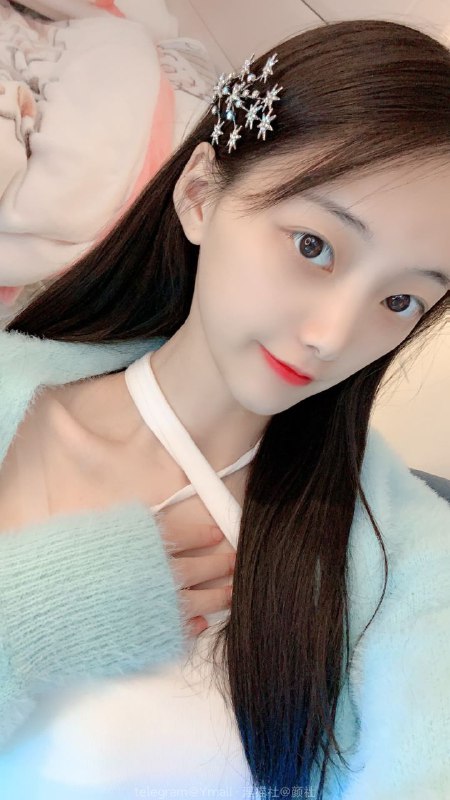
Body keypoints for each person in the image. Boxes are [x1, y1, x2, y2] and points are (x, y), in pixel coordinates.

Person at [0, 16, 449, 800]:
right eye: (314, 246)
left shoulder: (404, 558)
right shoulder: (20, 414)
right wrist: (27, 620)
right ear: (200, 194)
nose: (332, 335)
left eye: (400, 299)